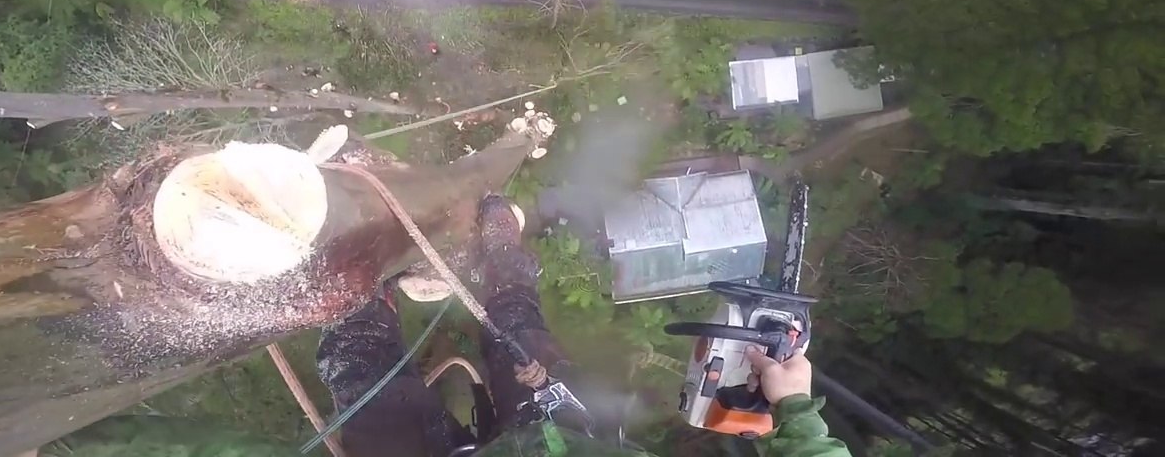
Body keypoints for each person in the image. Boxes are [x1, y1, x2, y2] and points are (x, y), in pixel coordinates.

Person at [316, 195, 851, 457]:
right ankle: (500, 254)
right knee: (519, 332)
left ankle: (355, 282)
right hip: (565, 446)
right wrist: (795, 410)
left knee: (365, 379)